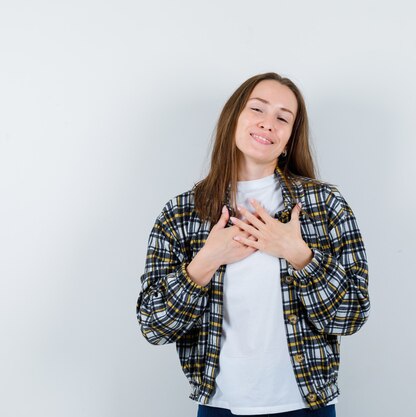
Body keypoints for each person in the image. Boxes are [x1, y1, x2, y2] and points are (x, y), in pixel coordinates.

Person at [135, 72, 370, 417]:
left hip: (306, 405)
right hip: (220, 406)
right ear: (233, 119)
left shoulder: (325, 204)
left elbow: (351, 316)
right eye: (257, 109)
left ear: (289, 139)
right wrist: (207, 260)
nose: (267, 124)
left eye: (282, 117)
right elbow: (153, 326)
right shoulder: (181, 213)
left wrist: (298, 254)